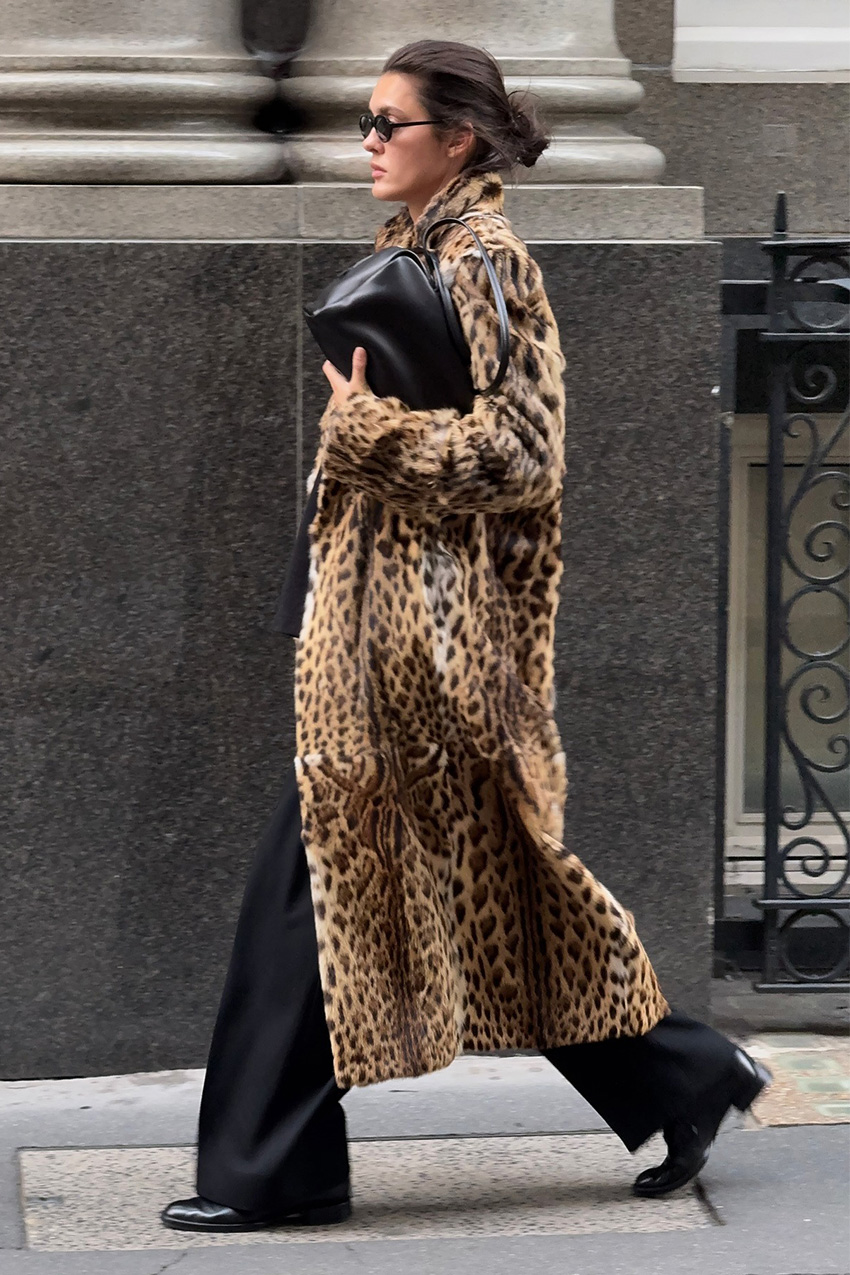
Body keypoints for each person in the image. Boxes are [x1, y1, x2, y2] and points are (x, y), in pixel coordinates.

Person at [161, 40, 770, 1235]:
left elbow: (520, 455)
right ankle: (685, 1076)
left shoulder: (486, 260)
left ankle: (270, 1171)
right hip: (380, 632)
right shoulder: (422, 252)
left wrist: (368, 435)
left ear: (461, 142)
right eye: (366, 120)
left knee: (302, 906)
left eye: (392, 123)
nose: (369, 141)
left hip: (426, 650)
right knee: (502, 887)